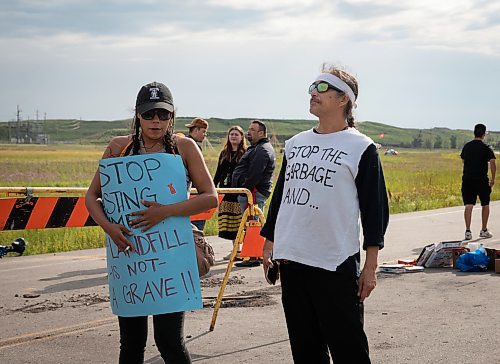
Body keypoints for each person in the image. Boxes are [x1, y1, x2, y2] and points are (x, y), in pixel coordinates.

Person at [260, 65, 389, 363]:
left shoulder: (361, 147)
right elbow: (280, 197)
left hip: (334, 263)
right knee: (306, 352)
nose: (312, 93)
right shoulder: (296, 144)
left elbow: (375, 211)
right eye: (311, 87)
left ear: (343, 99)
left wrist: (370, 267)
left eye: (321, 88)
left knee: (349, 351)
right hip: (293, 259)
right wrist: (269, 244)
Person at [85, 81, 218, 364]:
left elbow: (210, 198)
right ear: (137, 116)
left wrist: (166, 211)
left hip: (170, 256)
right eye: (148, 114)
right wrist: (108, 227)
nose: (156, 121)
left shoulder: (185, 147)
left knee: (168, 340)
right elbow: (91, 197)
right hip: (130, 258)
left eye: (162, 114)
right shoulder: (119, 148)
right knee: (131, 343)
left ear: (172, 115)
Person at [231, 119, 276, 267]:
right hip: (250, 192)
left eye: (252, 129)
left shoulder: (261, 150)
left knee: (253, 224)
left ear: (261, 133)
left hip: (253, 193)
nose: (248, 132)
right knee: (251, 224)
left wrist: (245, 189)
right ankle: (252, 254)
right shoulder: (257, 148)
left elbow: (255, 174)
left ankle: (254, 256)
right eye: (249, 129)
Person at [212, 126, 247, 259]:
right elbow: (218, 172)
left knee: (239, 223)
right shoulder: (224, 153)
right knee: (230, 223)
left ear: (241, 137)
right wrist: (213, 187)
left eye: (236, 134)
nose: (233, 136)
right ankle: (236, 250)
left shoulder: (245, 153)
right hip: (226, 192)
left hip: (239, 192)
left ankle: (241, 251)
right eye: (231, 134)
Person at [461, 123, 496, 240]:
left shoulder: (467, 146)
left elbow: (463, 161)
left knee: (469, 205)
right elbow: (492, 163)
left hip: (467, 179)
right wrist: (493, 178)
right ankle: (484, 229)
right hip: (481, 179)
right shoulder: (487, 147)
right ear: (483, 134)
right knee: (485, 204)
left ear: (474, 132)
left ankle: (467, 231)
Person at [185, 117, 209, 231]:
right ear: (195, 130)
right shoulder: (191, 146)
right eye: (203, 132)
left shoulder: (184, 143)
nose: (205, 135)